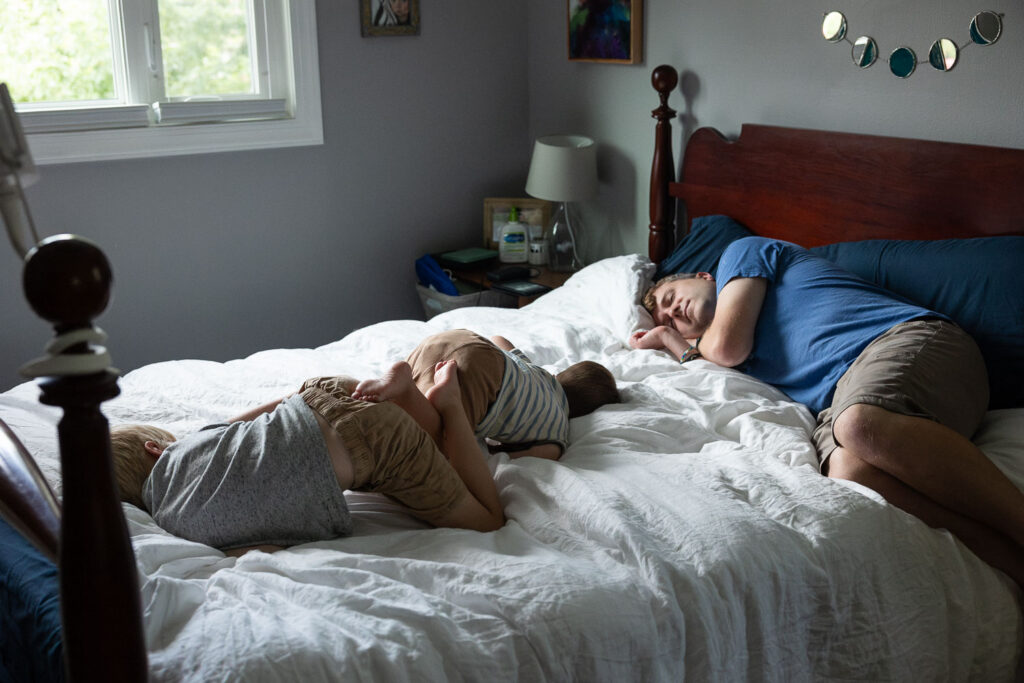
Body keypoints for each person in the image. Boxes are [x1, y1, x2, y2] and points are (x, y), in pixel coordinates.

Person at [631, 236, 1024, 586]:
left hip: (911, 344)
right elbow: (717, 355)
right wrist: (677, 342)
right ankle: (1013, 565)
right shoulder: (722, 358)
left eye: (670, 298)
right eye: (668, 320)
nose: (673, 313)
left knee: (858, 424)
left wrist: (668, 337)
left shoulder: (743, 253)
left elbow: (727, 345)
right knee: (850, 473)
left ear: (704, 276)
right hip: (851, 397)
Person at [109, 361, 504, 555]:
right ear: (154, 450)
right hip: (323, 394)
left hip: (370, 444)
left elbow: (264, 548)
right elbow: (255, 417)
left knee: (488, 521)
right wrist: (305, 393)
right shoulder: (188, 446)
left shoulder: (181, 527)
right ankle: (407, 395)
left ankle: (449, 407)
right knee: (412, 459)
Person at [352, 329, 620, 461]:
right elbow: (542, 454)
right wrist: (499, 451)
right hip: (485, 382)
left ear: (564, 374)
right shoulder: (558, 429)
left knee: (421, 379)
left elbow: (500, 339)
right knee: (439, 443)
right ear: (582, 411)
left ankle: (401, 376)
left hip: (462, 341)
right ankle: (404, 388)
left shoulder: (538, 372)